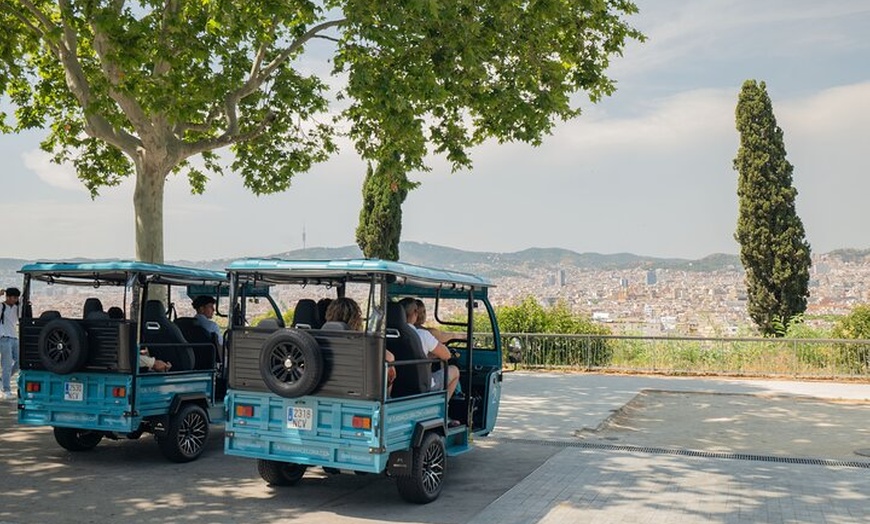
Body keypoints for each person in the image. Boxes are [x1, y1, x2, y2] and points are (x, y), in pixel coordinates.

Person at [324, 297, 396, 395]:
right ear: (356, 318)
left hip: (326, 391)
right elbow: (389, 362)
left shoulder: (313, 343)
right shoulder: (362, 344)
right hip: (359, 393)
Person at [399, 297, 460, 402]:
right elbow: (446, 355)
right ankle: (444, 408)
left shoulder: (388, 334)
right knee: (455, 371)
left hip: (397, 384)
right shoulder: (422, 334)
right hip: (421, 384)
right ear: (415, 313)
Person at [0, 287, 21, 400]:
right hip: (4, 337)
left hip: (14, 336)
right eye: (14, 297)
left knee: (19, 362)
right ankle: (6, 389)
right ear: (8, 297)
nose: (15, 299)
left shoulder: (17, 307)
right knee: (7, 364)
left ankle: (2, 381)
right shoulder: (2, 306)